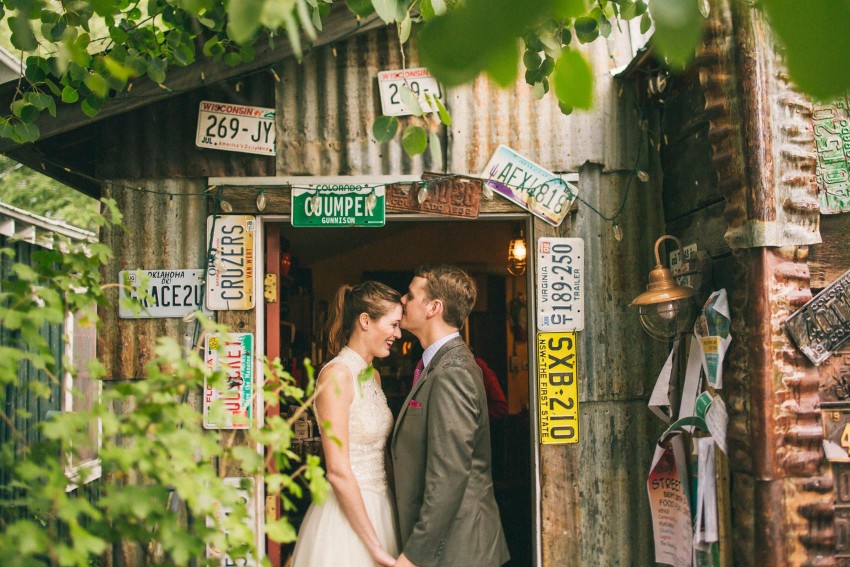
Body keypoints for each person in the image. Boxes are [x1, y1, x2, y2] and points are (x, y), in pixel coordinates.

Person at [391, 264, 510, 567]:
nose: (402, 301)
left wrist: (415, 555)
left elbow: (449, 473)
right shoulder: (440, 365)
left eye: (410, 295)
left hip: (459, 548)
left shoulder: (452, 372)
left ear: (434, 307)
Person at [291, 281, 402, 567]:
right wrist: (375, 548)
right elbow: (338, 470)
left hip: (382, 507)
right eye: (393, 324)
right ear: (365, 321)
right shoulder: (337, 375)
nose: (398, 334)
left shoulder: (372, 376)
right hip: (346, 518)